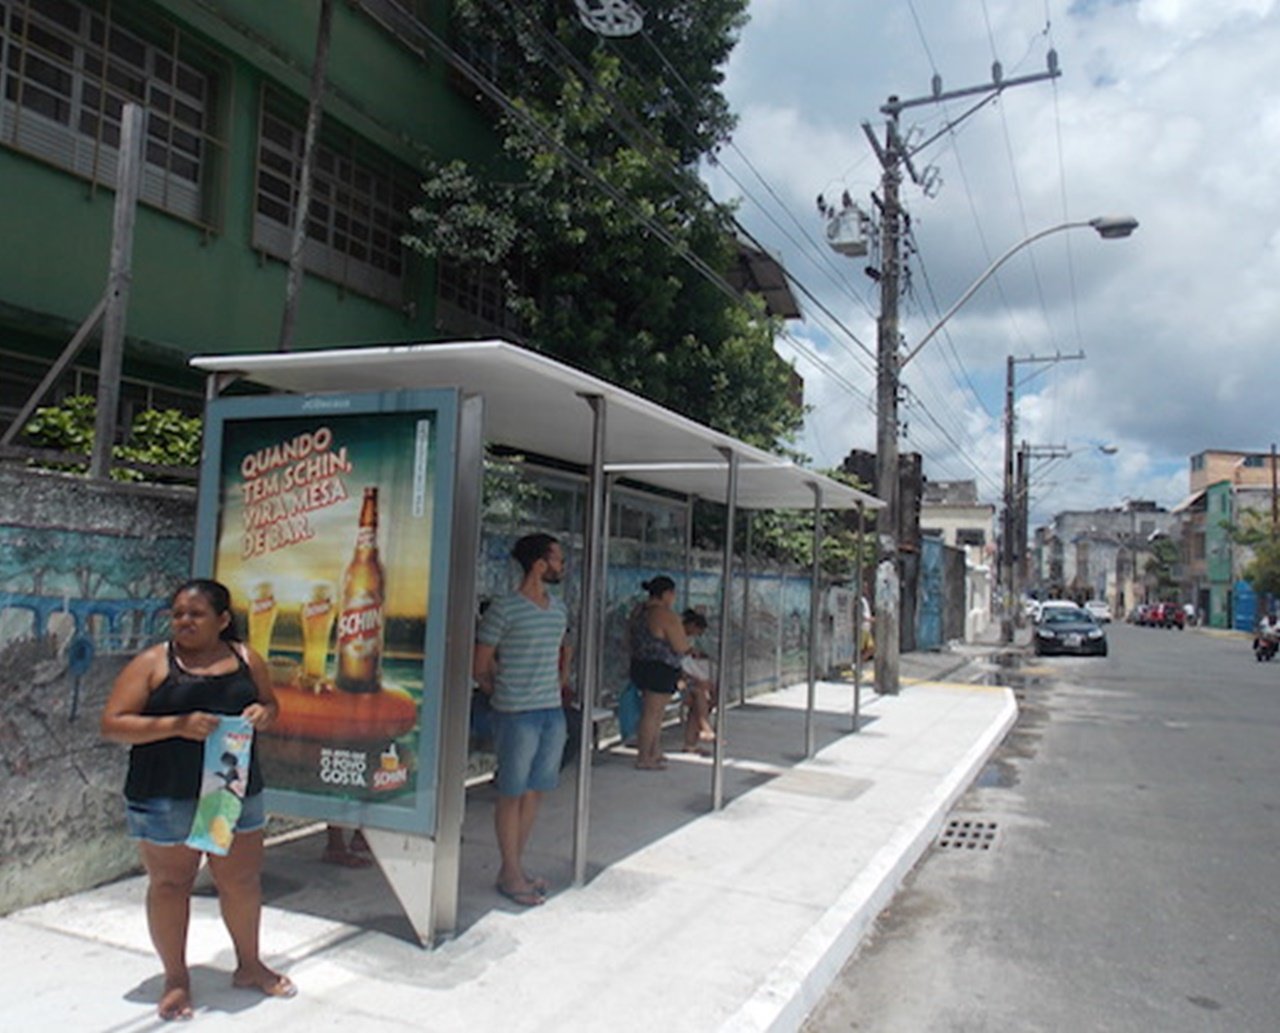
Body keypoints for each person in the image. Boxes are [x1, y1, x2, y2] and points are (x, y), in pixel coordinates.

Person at [100, 578, 294, 1022]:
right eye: (178, 614)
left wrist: (265, 714)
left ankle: (249, 964)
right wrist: (176, 725)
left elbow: (271, 704)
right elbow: (112, 724)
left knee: (241, 882)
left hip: (233, 791)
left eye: (196, 614)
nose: (184, 621)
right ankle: (175, 978)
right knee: (171, 885)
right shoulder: (154, 663)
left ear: (223, 620)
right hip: (166, 793)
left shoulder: (247, 660)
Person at [474, 534, 570, 907]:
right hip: (515, 713)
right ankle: (511, 871)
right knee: (512, 791)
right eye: (557, 559)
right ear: (540, 564)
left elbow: (560, 656)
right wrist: (502, 688)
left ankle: (512, 867)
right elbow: (480, 664)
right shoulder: (504, 608)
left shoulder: (558, 609)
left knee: (535, 789)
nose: (561, 566)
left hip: (550, 711)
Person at [628, 576, 691, 770]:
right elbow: (681, 646)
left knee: (653, 712)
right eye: (673, 594)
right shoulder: (665, 615)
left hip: (640, 663)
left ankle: (653, 751)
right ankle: (644, 757)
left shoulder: (638, 612)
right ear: (666, 594)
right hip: (661, 667)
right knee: (653, 713)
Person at [679, 609, 716, 753]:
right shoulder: (677, 639)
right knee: (699, 694)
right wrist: (696, 680)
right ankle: (705, 727)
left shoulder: (687, 640)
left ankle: (691, 743)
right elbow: (678, 667)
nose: (696, 635)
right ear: (692, 625)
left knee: (705, 697)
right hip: (677, 680)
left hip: (686, 679)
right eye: (697, 631)